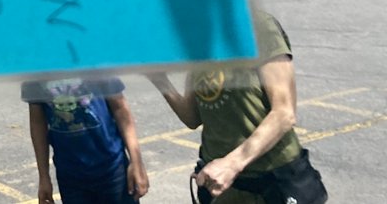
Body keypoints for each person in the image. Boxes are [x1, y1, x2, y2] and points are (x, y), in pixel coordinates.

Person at [147, 11, 325, 204]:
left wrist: (232, 164)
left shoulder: (258, 26)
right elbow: (191, 117)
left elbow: (284, 112)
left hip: (269, 183)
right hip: (221, 185)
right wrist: (159, 79)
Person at [22, 76, 149, 204]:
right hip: (70, 176)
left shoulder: (93, 62)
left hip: (112, 169)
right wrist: (44, 177)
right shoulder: (36, 72)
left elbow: (120, 109)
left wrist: (136, 162)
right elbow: (37, 123)